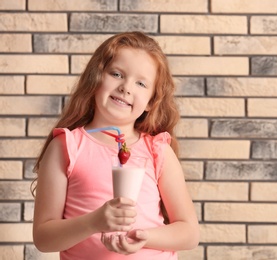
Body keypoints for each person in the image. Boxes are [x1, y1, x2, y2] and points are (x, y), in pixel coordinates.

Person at [31, 31, 200, 259]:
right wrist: (93, 222)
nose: (126, 87)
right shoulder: (67, 147)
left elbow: (189, 232)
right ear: (97, 77)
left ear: (151, 101)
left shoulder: (158, 151)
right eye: (117, 74)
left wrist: (143, 237)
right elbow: (44, 239)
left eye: (141, 83)